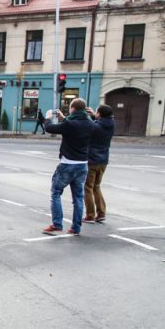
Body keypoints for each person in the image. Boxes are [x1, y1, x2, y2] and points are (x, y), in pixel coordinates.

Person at [42, 98, 99, 236]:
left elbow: (50, 128)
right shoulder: (90, 124)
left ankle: (57, 224)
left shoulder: (70, 124)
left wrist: (48, 118)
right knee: (78, 198)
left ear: (72, 108)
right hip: (82, 165)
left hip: (68, 164)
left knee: (56, 193)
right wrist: (64, 118)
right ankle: (76, 228)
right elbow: (75, 123)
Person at [84, 104, 114, 224]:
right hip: (103, 160)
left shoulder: (95, 126)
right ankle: (101, 213)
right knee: (96, 186)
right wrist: (94, 116)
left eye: (96, 112)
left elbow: (89, 128)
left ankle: (90, 215)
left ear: (99, 114)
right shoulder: (111, 124)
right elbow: (99, 123)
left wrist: (89, 117)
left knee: (87, 188)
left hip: (92, 160)